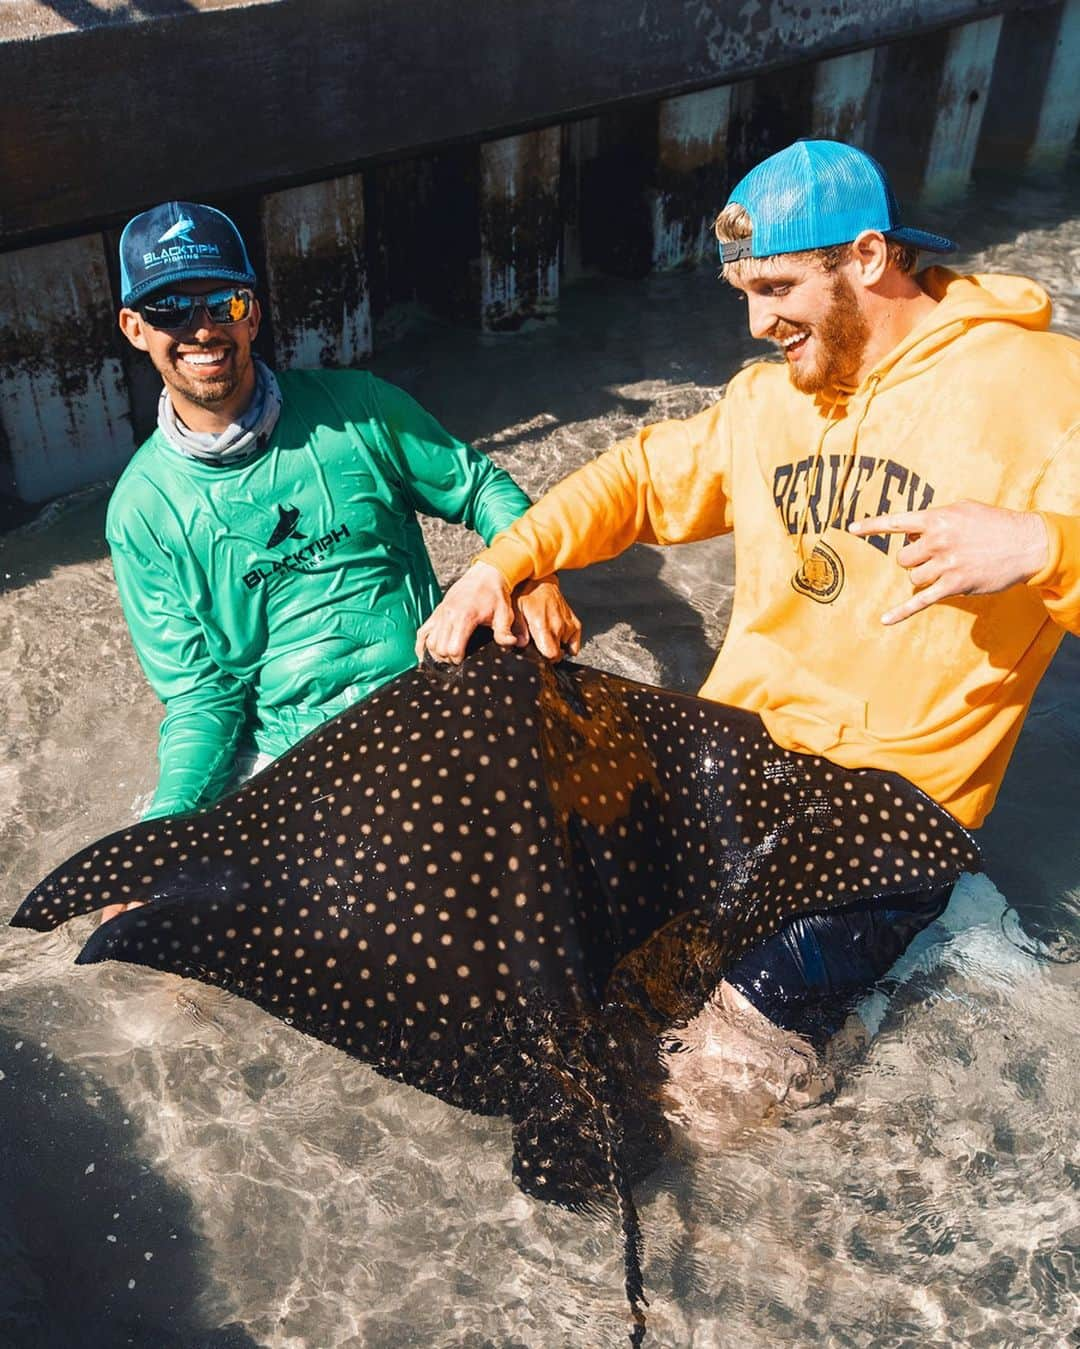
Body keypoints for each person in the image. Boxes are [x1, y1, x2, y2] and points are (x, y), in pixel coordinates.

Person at [415, 139, 1080, 1041]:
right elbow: (640, 478)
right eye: (747, 297)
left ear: (869, 257)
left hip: (897, 803)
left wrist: (1041, 542)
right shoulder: (769, 402)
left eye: (777, 291)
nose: (758, 325)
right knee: (536, 941)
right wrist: (506, 562)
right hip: (740, 753)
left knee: (720, 1065)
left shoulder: (1046, 390)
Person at [106, 200, 576, 913]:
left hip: (431, 701)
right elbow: (203, 697)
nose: (202, 329)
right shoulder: (141, 511)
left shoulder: (357, 408)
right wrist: (162, 834)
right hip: (293, 760)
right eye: (171, 309)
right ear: (135, 328)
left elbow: (479, 488)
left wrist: (528, 568)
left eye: (224, 302)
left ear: (253, 313)